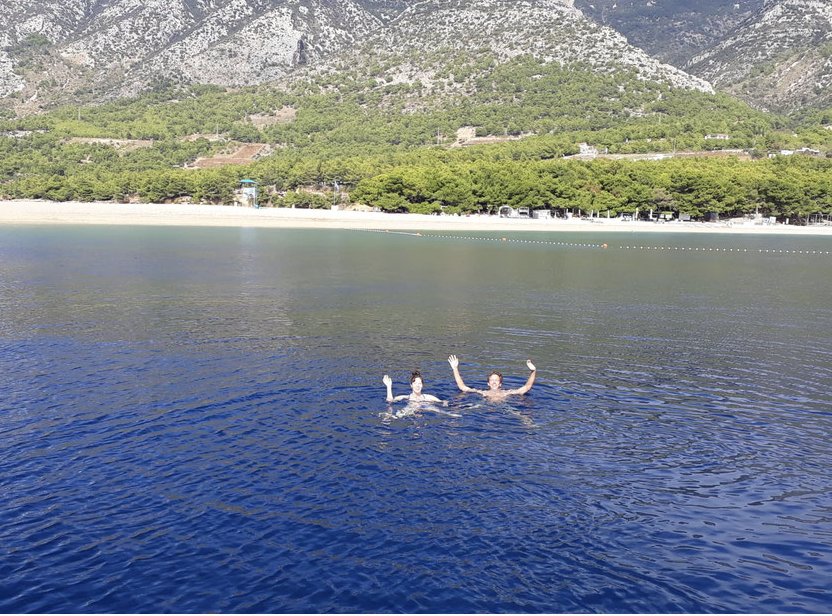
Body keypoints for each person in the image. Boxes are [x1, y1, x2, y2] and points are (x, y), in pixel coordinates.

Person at [447, 354, 536, 400]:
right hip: (484, 406)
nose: (494, 382)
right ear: (488, 383)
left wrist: (533, 371)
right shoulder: (482, 392)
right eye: (492, 380)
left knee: (521, 416)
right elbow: (462, 387)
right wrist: (455, 368)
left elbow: (527, 387)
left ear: (500, 384)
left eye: (496, 380)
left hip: (505, 408)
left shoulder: (507, 393)